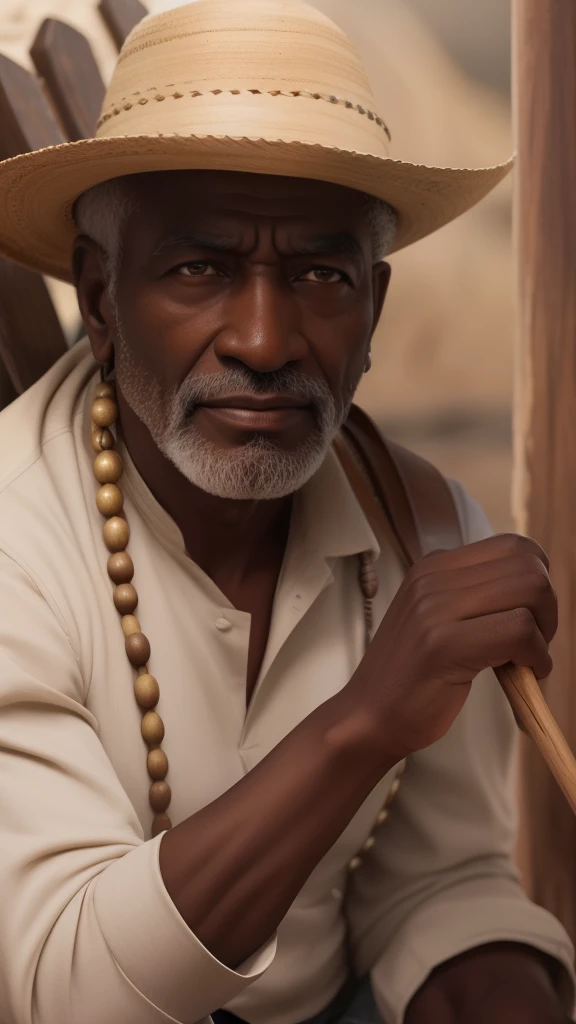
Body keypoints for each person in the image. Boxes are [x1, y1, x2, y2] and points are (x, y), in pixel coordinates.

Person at [0, 1, 572, 1022]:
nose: (265, 339)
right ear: (98, 293)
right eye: (199, 268)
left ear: (374, 310)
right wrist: (368, 715)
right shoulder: (16, 538)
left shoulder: (428, 532)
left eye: (319, 273)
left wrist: (499, 974)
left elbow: (434, 886)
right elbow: (67, 987)